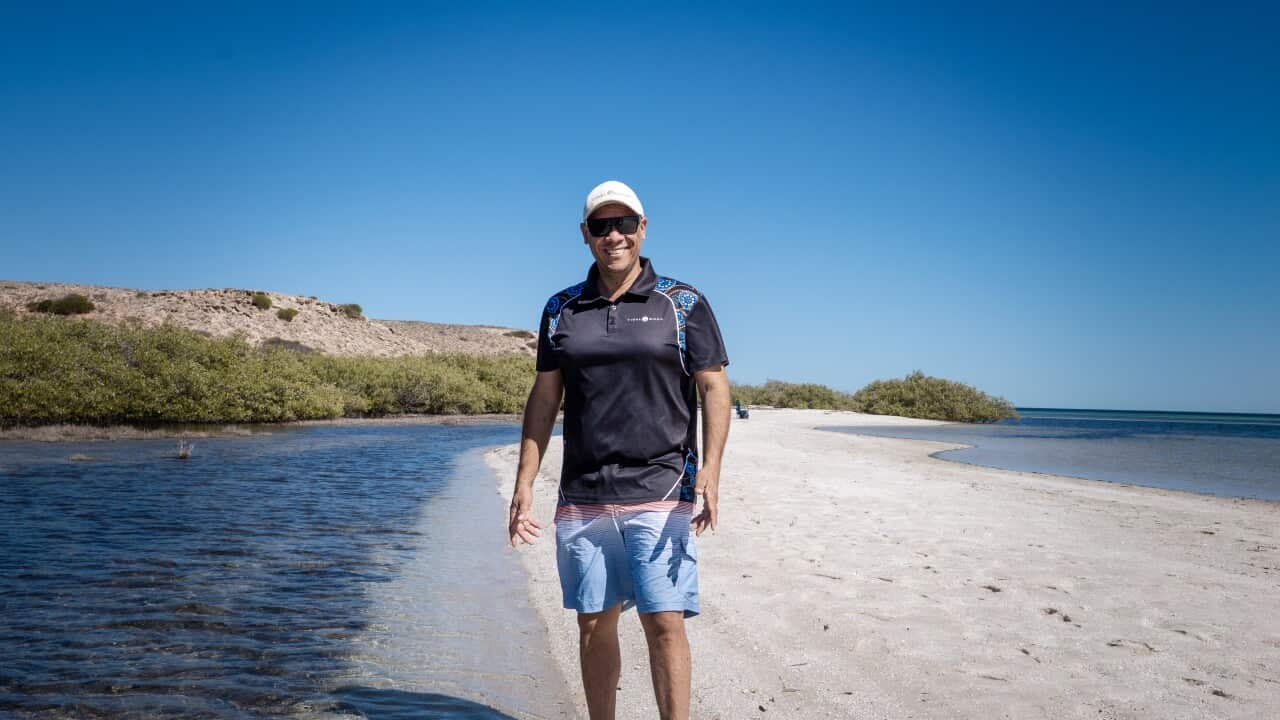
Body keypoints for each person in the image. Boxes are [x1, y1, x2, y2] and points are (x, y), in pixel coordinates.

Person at [508, 180, 731, 720]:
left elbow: (714, 386)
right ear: (585, 235)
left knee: (663, 619)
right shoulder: (562, 308)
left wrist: (713, 471)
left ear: (643, 228)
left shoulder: (682, 303)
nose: (615, 236)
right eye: (602, 226)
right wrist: (523, 483)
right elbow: (545, 397)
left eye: (624, 224)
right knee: (593, 621)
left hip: (662, 484)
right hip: (583, 492)